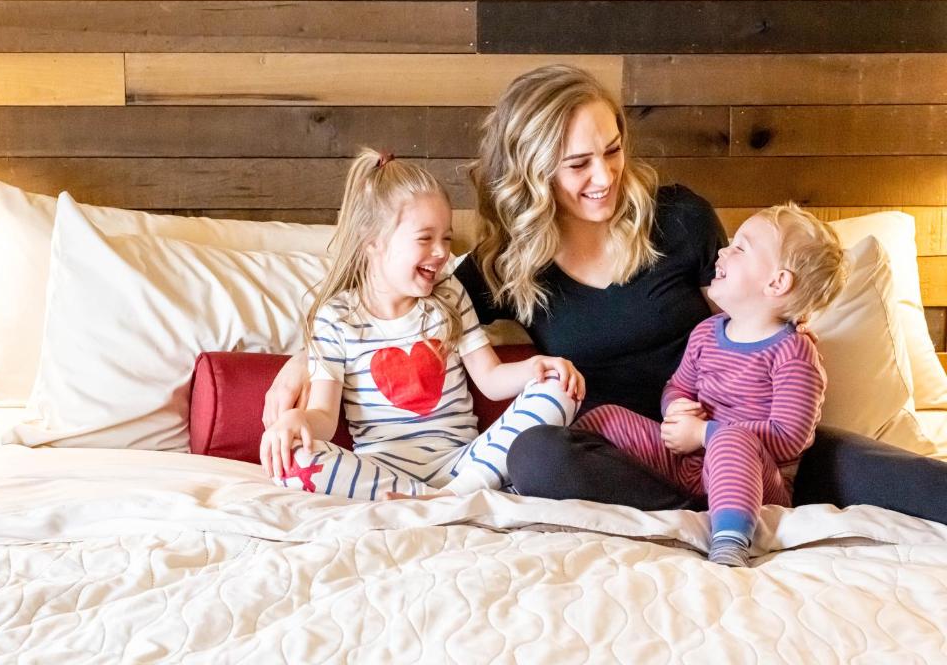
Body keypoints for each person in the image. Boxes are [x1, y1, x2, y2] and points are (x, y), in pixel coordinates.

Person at [264, 64, 947, 525]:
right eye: (577, 163)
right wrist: (298, 369)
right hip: (622, 455)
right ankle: (704, 515)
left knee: (887, 471)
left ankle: (744, 494)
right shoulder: (509, 265)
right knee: (537, 457)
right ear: (533, 172)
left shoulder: (680, 219)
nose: (604, 177)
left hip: (737, 436)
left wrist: (769, 412)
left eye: (613, 150)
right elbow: (395, 295)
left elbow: (758, 313)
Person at [259, 147, 583, 501]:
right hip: (382, 470)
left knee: (559, 387)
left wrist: (537, 368)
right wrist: (298, 422)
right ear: (374, 244)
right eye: (425, 238)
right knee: (291, 461)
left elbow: (490, 380)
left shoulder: (449, 296)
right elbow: (323, 415)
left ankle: (449, 496)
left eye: (445, 237)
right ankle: (436, 497)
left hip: (463, 461)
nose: (442, 252)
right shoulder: (336, 320)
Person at [573, 204, 847, 566]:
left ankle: (731, 541)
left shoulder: (793, 351)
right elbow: (678, 386)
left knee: (732, 440)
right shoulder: (706, 333)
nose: (722, 251)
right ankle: (573, 481)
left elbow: (789, 436)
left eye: (740, 248)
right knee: (605, 416)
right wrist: (674, 408)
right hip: (687, 464)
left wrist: (706, 433)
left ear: (777, 282)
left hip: (756, 482)